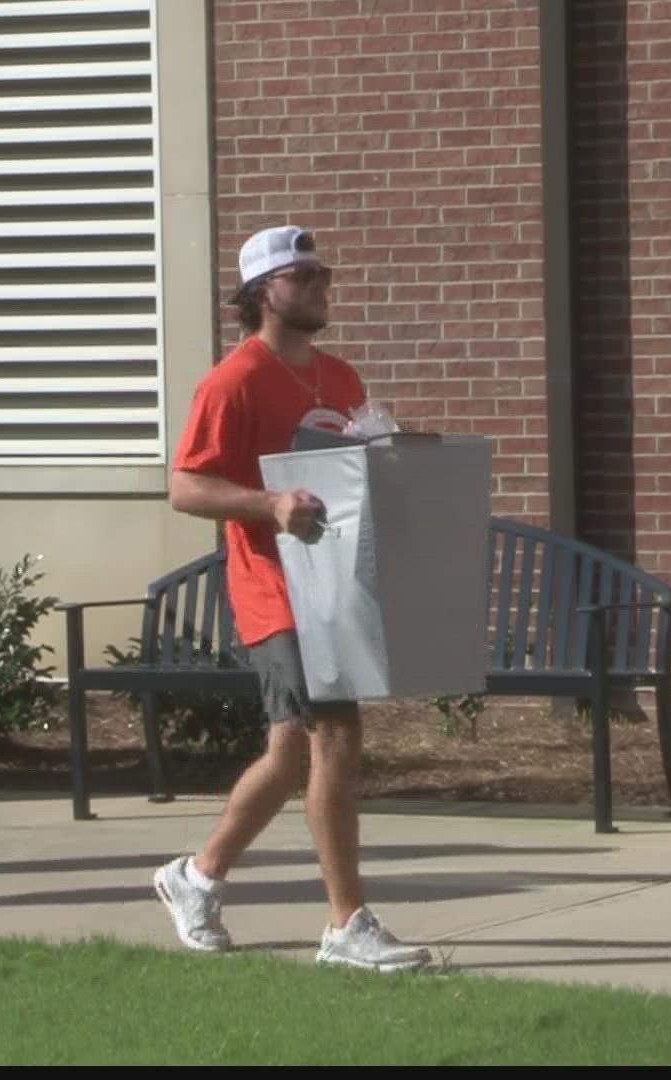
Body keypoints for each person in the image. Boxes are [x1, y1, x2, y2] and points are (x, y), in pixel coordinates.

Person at [150, 225, 431, 972]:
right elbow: (184, 487)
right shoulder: (232, 381)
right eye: (302, 276)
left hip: (335, 585)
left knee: (288, 753)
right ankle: (348, 926)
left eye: (323, 275)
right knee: (338, 732)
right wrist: (269, 505)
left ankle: (197, 876)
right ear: (260, 294)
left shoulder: (339, 377)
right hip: (274, 591)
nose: (319, 287)